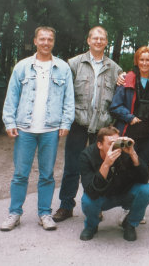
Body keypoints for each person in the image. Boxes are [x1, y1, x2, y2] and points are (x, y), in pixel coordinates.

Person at [0, 26, 75, 231]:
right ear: (35, 41)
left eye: (49, 39)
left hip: (50, 130)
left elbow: (69, 98)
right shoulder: (22, 66)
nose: (46, 43)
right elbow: (12, 96)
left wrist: (66, 122)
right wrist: (10, 122)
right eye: (42, 39)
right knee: (20, 174)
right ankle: (14, 213)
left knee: (47, 175)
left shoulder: (62, 68)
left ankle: (44, 213)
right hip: (24, 129)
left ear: (53, 42)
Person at [53, 26, 123, 222]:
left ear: (106, 42)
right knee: (72, 166)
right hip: (78, 122)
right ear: (88, 40)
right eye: (95, 38)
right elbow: (65, 94)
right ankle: (66, 206)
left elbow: (119, 98)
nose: (98, 41)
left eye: (102, 38)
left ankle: (96, 205)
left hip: (101, 126)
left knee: (99, 166)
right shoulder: (74, 64)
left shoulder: (114, 69)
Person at [79, 126, 149, 241]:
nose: (114, 147)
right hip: (101, 196)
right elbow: (91, 191)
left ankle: (130, 224)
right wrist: (106, 164)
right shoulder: (86, 156)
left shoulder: (124, 151)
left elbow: (144, 179)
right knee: (87, 201)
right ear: (99, 145)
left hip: (124, 193)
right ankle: (91, 226)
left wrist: (133, 154)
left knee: (147, 190)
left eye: (116, 142)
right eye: (110, 144)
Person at [110, 46, 149, 167]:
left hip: (148, 135)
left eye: (148, 60)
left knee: (142, 167)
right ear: (137, 61)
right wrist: (129, 117)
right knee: (124, 168)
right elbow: (115, 106)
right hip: (128, 132)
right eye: (141, 59)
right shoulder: (126, 79)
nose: (144, 63)